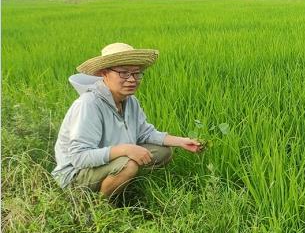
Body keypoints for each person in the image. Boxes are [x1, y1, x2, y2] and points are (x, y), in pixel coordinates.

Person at [52, 42, 203, 198]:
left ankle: (123, 185)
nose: (132, 79)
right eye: (124, 73)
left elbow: (145, 133)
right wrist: (125, 150)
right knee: (128, 165)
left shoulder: (129, 101)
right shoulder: (89, 104)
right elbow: (79, 157)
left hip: (109, 162)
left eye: (136, 73)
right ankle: (99, 208)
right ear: (104, 74)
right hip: (75, 176)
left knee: (163, 152)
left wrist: (181, 141)